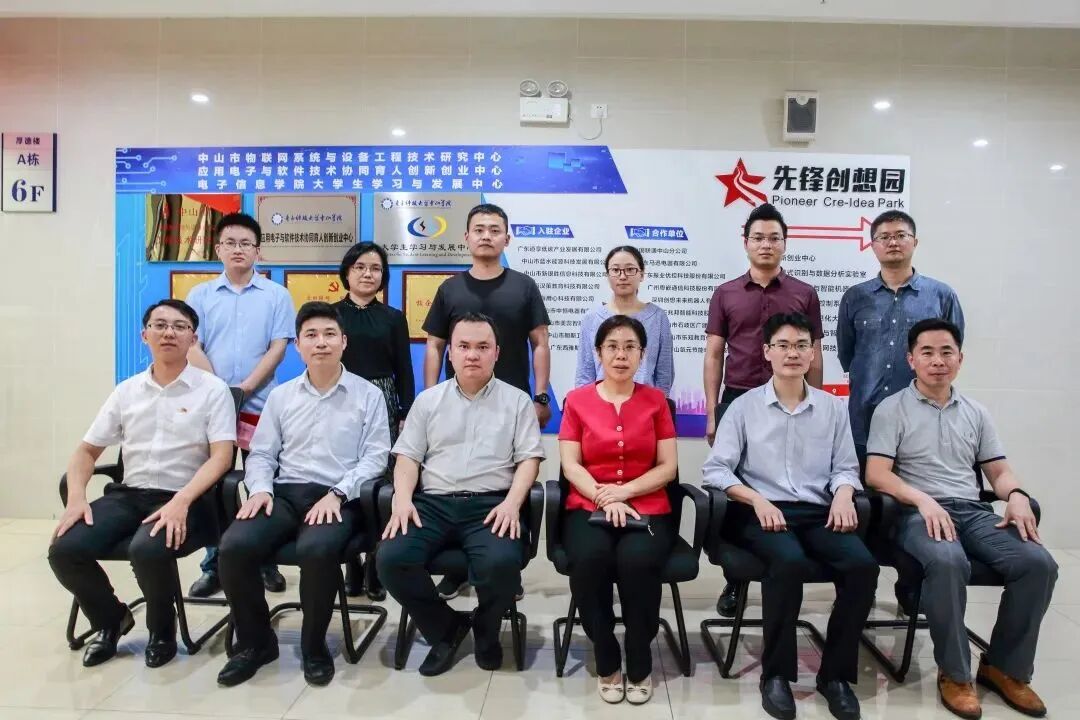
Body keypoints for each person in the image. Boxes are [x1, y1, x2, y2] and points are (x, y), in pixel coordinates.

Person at [866, 318, 1056, 720]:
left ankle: (1004, 668)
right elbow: (877, 474)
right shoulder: (891, 409)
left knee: (1038, 564)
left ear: (960, 359)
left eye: (946, 352)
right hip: (916, 513)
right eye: (927, 352)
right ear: (911, 359)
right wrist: (923, 500)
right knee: (948, 561)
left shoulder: (976, 412)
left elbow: (998, 472)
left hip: (972, 511)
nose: (938, 361)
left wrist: (1017, 495)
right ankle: (955, 674)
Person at [702, 312, 874, 720]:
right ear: (767, 352)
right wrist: (757, 500)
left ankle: (835, 677)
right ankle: (776, 675)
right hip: (759, 512)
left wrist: (844, 495)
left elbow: (845, 468)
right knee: (788, 561)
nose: (792, 353)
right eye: (783, 345)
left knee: (863, 567)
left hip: (817, 512)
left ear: (813, 353)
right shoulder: (743, 407)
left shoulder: (832, 408)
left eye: (801, 345)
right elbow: (717, 470)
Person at [48, 299, 236, 668]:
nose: (169, 333)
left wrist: (181, 501)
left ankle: (161, 630)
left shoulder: (212, 390)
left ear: (193, 339)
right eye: (159, 325)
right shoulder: (127, 391)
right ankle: (110, 619)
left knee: (147, 548)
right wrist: (76, 499)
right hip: (128, 496)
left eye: (179, 327)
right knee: (64, 549)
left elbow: (221, 458)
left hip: (187, 499)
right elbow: (86, 452)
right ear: (144, 335)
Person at [215, 302, 390, 688]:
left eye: (329, 334)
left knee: (316, 549)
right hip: (283, 494)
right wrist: (260, 489)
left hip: (339, 498)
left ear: (344, 342)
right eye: (311, 335)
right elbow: (262, 454)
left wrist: (338, 493)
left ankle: (314, 647)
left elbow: (376, 458)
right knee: (234, 546)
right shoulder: (281, 396)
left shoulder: (368, 395)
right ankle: (257, 644)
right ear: (298, 345)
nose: (321, 343)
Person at [377, 312, 545, 676]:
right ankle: (445, 628)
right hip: (432, 504)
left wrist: (512, 504)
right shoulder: (428, 401)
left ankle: (486, 630)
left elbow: (529, 460)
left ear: (497, 353)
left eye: (482, 347)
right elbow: (407, 457)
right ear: (449, 353)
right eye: (463, 346)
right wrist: (402, 500)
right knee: (390, 559)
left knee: (501, 564)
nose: (472, 354)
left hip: (491, 504)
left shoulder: (517, 402)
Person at [421, 203, 550, 600]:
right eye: (479, 229)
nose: (486, 236)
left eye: (495, 230)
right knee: (457, 479)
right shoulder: (450, 289)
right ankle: (456, 570)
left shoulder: (524, 286)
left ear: (506, 239)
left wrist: (541, 394)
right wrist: (430, 397)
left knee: (509, 479)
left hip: (512, 404)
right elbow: (435, 345)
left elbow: (540, 343)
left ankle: (506, 565)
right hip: (457, 402)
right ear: (466, 237)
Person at [703, 203, 824, 618]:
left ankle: (791, 556)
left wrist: (815, 403)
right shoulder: (726, 293)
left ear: (785, 244)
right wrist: (712, 411)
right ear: (746, 243)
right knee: (736, 486)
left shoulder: (804, 293)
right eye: (758, 237)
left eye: (774, 238)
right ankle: (736, 579)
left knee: (785, 480)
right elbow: (714, 353)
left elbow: (815, 352)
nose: (766, 244)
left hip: (792, 399)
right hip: (739, 397)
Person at [560, 315, 677, 705]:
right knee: (589, 558)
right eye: (612, 346)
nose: (621, 355)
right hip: (588, 503)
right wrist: (605, 497)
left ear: (642, 354)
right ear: (598, 353)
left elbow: (668, 467)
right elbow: (570, 465)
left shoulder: (656, 401)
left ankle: (640, 655)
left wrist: (625, 492)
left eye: (630, 347)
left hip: (647, 505)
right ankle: (606, 651)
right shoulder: (577, 401)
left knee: (637, 561)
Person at [185, 212, 296, 598]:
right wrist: (221, 390)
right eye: (230, 243)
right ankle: (213, 563)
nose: (238, 249)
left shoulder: (276, 295)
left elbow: (278, 347)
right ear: (218, 248)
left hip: (260, 404)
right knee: (212, 485)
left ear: (257, 251)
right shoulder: (199, 296)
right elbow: (192, 344)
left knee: (262, 479)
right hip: (210, 404)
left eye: (245, 243)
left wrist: (244, 389)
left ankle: (264, 559)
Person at [837, 210, 965, 470]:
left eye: (900, 235)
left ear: (914, 242)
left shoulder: (941, 295)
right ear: (873, 245)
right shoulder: (855, 297)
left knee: (919, 485)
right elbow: (846, 352)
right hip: (866, 413)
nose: (893, 242)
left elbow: (951, 349)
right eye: (884, 237)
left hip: (923, 414)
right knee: (864, 485)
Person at [334, 241, 414, 600]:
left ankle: (375, 562)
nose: (368, 274)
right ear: (347, 272)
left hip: (383, 399)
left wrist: (405, 412)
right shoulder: (332, 315)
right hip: (341, 400)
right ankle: (350, 560)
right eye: (361, 267)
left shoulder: (393, 317)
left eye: (376, 268)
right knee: (345, 473)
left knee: (381, 483)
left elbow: (404, 369)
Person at [574, 246, 674, 395]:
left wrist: (657, 404)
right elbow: (585, 374)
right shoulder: (592, 318)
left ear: (641, 274)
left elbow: (664, 375)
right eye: (615, 270)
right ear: (607, 275)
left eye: (630, 269)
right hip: (600, 405)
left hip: (646, 404)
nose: (622, 276)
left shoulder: (658, 317)